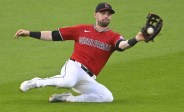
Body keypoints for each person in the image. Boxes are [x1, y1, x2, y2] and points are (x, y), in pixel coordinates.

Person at [14, 2, 145, 102]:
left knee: (107, 97)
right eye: (102, 13)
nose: (106, 16)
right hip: (74, 67)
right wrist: (29, 33)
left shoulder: (114, 36)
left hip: (88, 77)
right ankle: (36, 82)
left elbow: (122, 46)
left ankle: (67, 98)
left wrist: (137, 39)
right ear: (95, 15)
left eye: (108, 14)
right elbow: (53, 35)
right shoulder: (81, 29)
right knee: (68, 82)